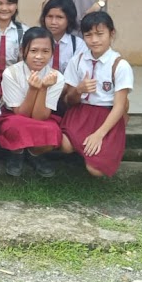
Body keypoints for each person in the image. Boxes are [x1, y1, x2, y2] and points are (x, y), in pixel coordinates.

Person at [59, 13, 133, 177]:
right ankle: (83, 151)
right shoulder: (77, 60)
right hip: (81, 113)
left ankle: (90, 153)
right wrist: (79, 90)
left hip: (107, 116)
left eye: (100, 34)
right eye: (88, 35)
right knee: (64, 145)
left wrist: (99, 134)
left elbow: (119, 106)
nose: (94, 40)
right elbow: (68, 101)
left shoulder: (120, 65)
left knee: (97, 170)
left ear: (111, 34)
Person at [0, 27, 65, 179]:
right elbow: (21, 113)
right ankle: (17, 153)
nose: (39, 57)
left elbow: (40, 116)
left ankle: (34, 154)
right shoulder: (11, 73)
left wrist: (43, 88)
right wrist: (33, 89)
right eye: (33, 51)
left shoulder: (57, 77)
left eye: (45, 51)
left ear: (52, 53)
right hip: (16, 116)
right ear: (23, 50)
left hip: (41, 118)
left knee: (53, 132)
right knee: (15, 126)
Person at [40, 0, 84, 73]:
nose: (53, 22)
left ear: (69, 19)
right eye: (50, 16)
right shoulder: (37, 41)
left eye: (59, 17)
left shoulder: (78, 44)